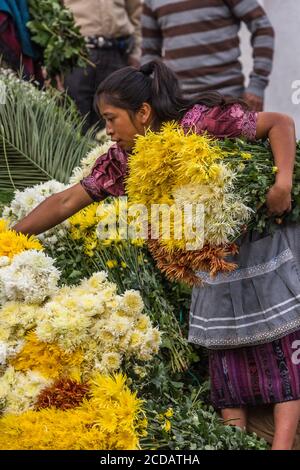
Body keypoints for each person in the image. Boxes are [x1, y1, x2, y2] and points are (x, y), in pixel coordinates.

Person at [13, 60, 300, 450]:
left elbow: (279, 122)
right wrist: (9, 237)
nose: (108, 130)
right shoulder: (124, 159)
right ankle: (236, 442)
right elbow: (66, 200)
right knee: (226, 359)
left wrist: (282, 183)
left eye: (112, 119)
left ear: (143, 113)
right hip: (211, 263)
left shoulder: (200, 124)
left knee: (277, 350)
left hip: (259, 246)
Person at [142, 0, 275, 112]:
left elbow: (262, 28)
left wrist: (257, 85)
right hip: (179, 106)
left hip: (227, 102)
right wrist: (157, 95)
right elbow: (149, 53)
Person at [62, 0, 142, 133]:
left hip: (117, 55)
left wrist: (136, 53)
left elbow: (137, 13)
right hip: (76, 55)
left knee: (116, 119)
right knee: (74, 123)